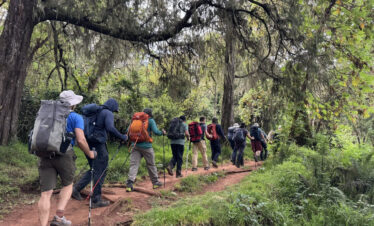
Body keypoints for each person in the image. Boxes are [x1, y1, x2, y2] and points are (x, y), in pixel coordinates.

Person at [38, 90, 96, 226]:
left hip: (45, 153)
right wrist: (90, 154)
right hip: (64, 153)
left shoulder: (47, 115)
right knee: (68, 185)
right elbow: (81, 140)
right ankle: (58, 218)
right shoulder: (75, 117)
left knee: (45, 193)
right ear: (73, 104)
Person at [72, 98, 128, 208]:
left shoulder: (94, 112)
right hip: (98, 144)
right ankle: (96, 200)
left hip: (87, 144)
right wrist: (123, 137)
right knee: (101, 169)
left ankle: (76, 189)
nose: (114, 113)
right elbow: (110, 128)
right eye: (114, 110)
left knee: (94, 168)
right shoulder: (107, 112)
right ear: (112, 107)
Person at [126, 108, 166, 191]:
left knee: (134, 165)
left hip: (135, 145)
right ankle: (155, 183)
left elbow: (127, 130)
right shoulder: (150, 120)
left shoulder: (135, 120)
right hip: (146, 146)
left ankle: (129, 184)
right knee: (151, 164)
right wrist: (162, 132)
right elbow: (156, 131)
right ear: (150, 114)